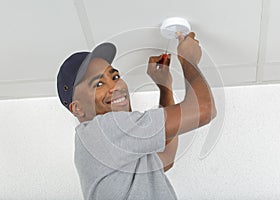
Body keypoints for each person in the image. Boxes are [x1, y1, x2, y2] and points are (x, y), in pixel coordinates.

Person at [56, 32, 216, 200]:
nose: (115, 86)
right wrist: (188, 58)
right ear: (78, 109)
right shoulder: (103, 130)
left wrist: (165, 86)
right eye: (99, 84)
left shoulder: (111, 146)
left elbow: (166, 157)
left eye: (115, 77)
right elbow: (204, 109)